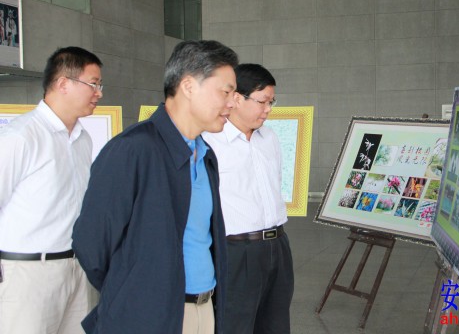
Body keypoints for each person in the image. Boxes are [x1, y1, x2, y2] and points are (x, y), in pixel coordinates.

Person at [72, 40, 238, 334]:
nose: (232, 103)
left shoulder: (205, 155)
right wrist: (134, 293)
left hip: (204, 309)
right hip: (147, 317)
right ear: (188, 86)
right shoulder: (133, 149)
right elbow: (92, 243)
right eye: (225, 92)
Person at [0, 46, 103, 334]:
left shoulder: (83, 139)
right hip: (27, 273)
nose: (99, 93)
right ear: (63, 83)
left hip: (76, 269)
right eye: (93, 84)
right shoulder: (20, 136)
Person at [203, 63, 294, 334]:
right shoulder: (211, 141)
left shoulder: (270, 137)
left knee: (276, 324)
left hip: (277, 245)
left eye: (271, 102)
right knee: (236, 325)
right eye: (262, 101)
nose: (268, 109)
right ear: (236, 98)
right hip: (237, 250)